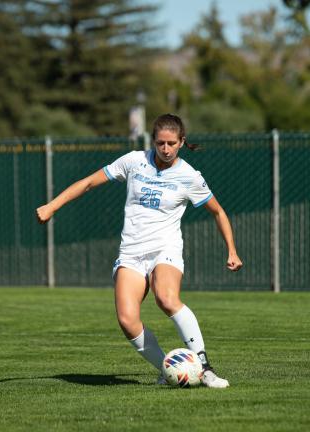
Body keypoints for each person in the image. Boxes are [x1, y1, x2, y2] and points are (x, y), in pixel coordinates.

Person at [36, 113, 242, 388]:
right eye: (160, 143)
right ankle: (169, 370)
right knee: (127, 320)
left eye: (171, 143)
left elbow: (218, 212)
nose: (165, 149)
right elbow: (87, 183)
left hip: (165, 248)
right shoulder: (134, 161)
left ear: (182, 142)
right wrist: (52, 206)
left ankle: (204, 368)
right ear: (153, 141)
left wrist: (232, 250)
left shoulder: (189, 176)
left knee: (166, 298)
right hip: (131, 253)